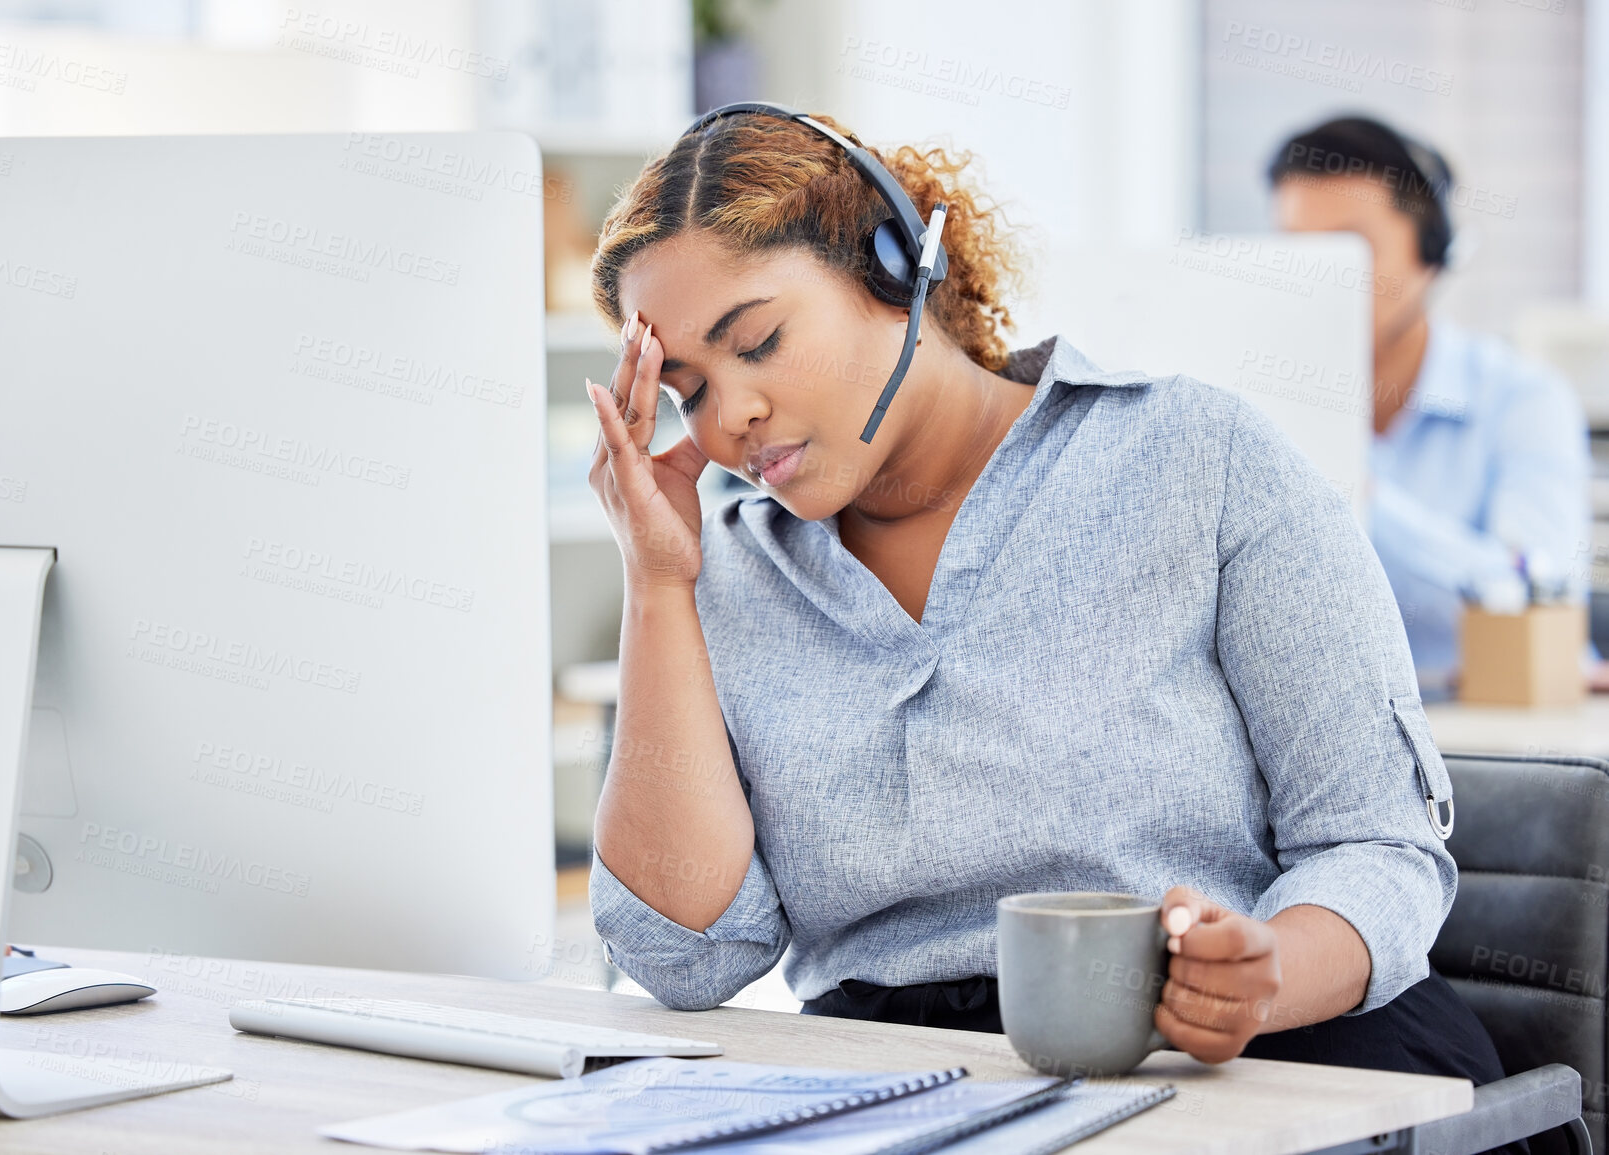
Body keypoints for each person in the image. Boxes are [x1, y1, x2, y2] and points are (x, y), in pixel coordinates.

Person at [582, 108, 1509, 1098]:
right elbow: (686, 960)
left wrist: (1263, 973)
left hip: (1256, 1064)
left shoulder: (1197, 458)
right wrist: (658, 583)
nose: (728, 422)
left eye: (757, 342)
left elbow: (1376, 847)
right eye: (684, 390)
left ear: (894, 269)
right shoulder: (720, 571)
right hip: (915, 1092)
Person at [1268, 115, 1592, 700]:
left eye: (1352, 250)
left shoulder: (1523, 399)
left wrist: (1348, 494)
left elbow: (1533, 600)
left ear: (1431, 252)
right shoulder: (1261, 406)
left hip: (1508, 742)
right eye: (1298, 252)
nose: (1321, 281)